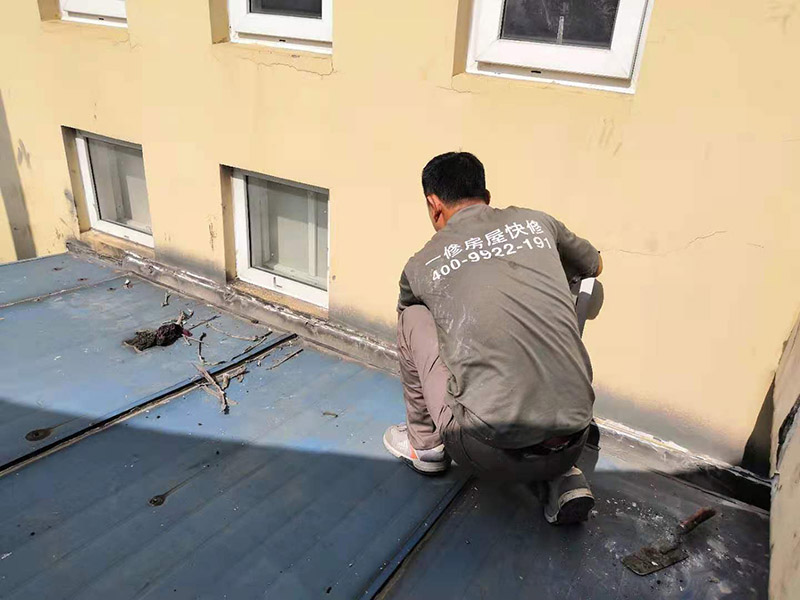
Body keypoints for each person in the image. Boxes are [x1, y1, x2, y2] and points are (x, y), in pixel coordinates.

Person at [382, 151, 603, 525]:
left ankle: (426, 447)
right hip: (574, 438)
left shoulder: (422, 263)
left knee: (414, 317)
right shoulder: (537, 222)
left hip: (487, 452)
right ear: (486, 196)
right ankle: (562, 477)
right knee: (546, 400)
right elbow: (594, 265)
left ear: (434, 206)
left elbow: (414, 314)